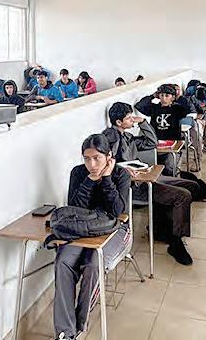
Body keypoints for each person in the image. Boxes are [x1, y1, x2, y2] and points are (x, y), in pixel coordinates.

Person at [53, 134, 131, 340]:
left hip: (115, 229)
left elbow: (118, 211)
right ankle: (65, 332)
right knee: (63, 262)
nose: (92, 164)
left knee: (93, 264)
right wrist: (89, 181)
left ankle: (79, 325)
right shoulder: (79, 173)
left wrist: (106, 179)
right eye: (87, 159)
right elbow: (74, 208)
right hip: (82, 229)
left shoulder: (121, 175)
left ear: (109, 156)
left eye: (97, 158)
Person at [103, 102, 196, 265]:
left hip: (145, 176)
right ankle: (176, 242)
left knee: (191, 186)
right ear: (118, 122)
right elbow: (106, 162)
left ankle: (160, 228)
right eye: (129, 118)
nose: (132, 119)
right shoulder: (111, 137)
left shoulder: (128, 137)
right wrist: (121, 169)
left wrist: (143, 122)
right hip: (134, 186)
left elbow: (152, 142)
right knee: (183, 196)